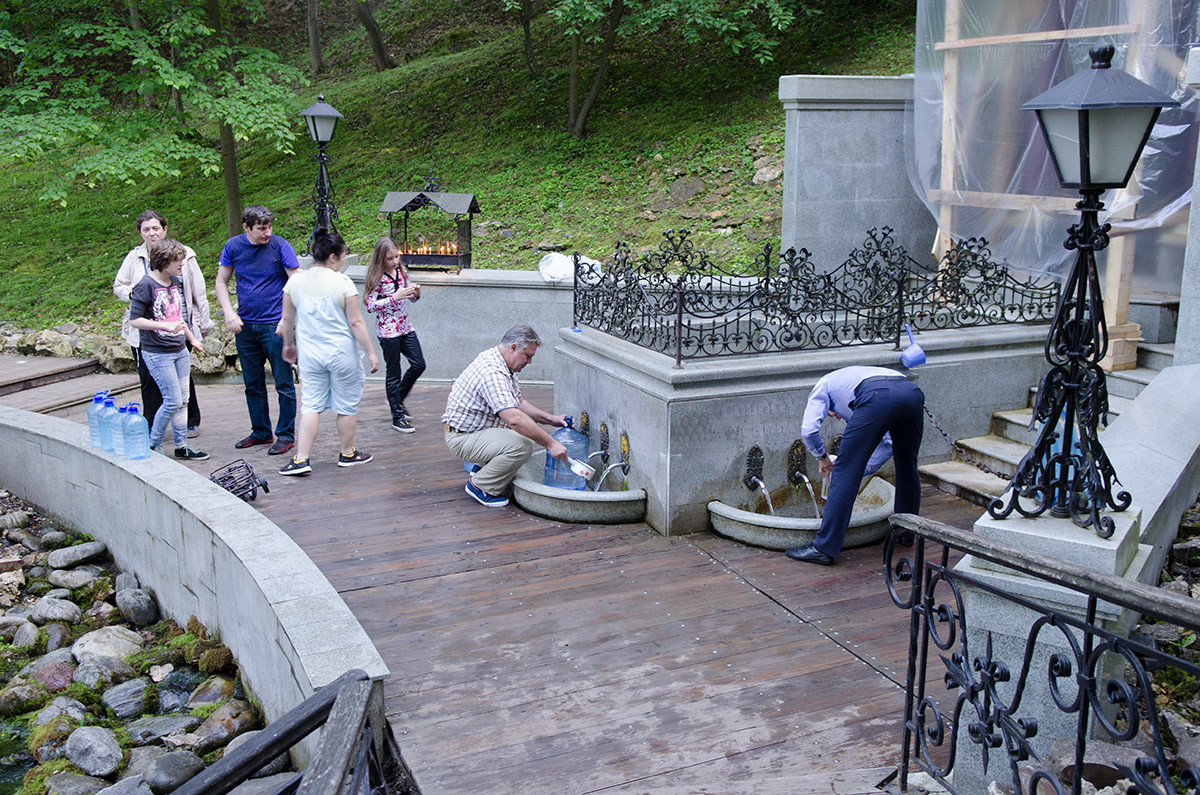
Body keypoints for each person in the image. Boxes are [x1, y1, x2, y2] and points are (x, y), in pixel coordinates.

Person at [785, 366, 924, 565]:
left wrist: (823, 458)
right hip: (911, 392)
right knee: (907, 466)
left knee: (844, 471)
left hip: (875, 394)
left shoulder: (823, 385)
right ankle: (907, 532)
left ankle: (824, 548)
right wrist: (860, 467)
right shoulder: (851, 380)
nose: (837, 417)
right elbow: (888, 444)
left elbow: (808, 431)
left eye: (832, 414)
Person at [275, 229, 380, 476]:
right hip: (342, 354)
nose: (343, 261)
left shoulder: (295, 282)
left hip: (310, 356)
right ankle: (347, 453)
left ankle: (301, 459)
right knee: (346, 405)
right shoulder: (342, 283)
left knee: (310, 405)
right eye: (343, 256)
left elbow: (286, 320)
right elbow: (356, 322)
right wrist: (371, 353)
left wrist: (288, 346)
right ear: (333, 257)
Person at [442, 325, 569, 508]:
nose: (530, 361)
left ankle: (483, 465)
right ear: (513, 347)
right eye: (528, 355)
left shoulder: (503, 363)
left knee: (525, 429)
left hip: (473, 431)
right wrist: (551, 444)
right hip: (462, 438)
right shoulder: (493, 372)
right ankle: (481, 486)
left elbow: (518, 403)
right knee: (522, 444)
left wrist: (551, 419)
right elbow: (514, 418)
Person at [114, 210, 213, 437]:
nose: (151, 233)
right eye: (146, 229)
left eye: (155, 228)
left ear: (165, 229)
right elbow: (119, 286)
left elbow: (199, 292)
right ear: (140, 232)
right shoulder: (134, 257)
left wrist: (202, 326)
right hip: (147, 334)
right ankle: (152, 427)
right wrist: (135, 293)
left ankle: (188, 422)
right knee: (149, 379)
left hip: (179, 326)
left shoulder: (184, 255)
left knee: (182, 378)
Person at [215, 205, 299, 456]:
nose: (267, 233)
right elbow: (221, 281)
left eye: (270, 227)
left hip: (275, 326)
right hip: (245, 327)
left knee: (284, 383)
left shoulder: (280, 246)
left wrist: (286, 319)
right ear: (246, 227)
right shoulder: (233, 246)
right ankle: (261, 431)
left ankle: (286, 435)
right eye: (262, 228)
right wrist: (229, 313)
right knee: (252, 384)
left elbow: (296, 281)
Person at [127, 239, 209, 461]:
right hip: (157, 353)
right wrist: (163, 326)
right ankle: (153, 443)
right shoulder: (145, 285)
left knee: (183, 399)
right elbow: (135, 320)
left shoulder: (175, 281)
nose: (182, 263)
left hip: (179, 349)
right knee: (172, 400)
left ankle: (181, 445)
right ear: (164, 261)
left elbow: (179, 316)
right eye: (177, 260)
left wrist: (192, 339)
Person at [364, 237, 426, 433]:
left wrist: (415, 293)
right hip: (387, 330)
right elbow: (370, 305)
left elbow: (411, 298)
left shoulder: (401, 271)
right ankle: (397, 416)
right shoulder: (377, 278)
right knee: (394, 372)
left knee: (419, 364)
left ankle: (396, 399)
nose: (394, 261)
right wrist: (393, 298)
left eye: (396, 257)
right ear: (381, 259)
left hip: (405, 326)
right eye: (390, 258)